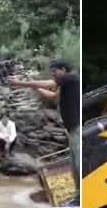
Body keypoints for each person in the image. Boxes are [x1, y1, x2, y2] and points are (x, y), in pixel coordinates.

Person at [7, 59, 80, 188]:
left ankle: (80, 196)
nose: (53, 74)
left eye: (54, 71)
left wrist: (20, 83)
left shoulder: (71, 78)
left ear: (63, 69)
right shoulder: (67, 83)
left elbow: (49, 85)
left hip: (76, 128)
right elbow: (52, 95)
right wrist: (35, 87)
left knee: (78, 163)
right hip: (72, 129)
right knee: (74, 163)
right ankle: (78, 195)